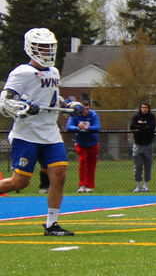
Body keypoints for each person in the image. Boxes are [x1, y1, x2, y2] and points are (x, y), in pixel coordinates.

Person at [0, 28, 84, 235]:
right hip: (27, 134)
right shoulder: (22, 72)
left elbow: (52, 98)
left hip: (50, 133)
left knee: (59, 175)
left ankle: (51, 224)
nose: (47, 51)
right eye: (43, 47)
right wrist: (24, 108)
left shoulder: (54, 72)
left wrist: (70, 106)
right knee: (20, 181)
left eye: (49, 47)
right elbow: (5, 102)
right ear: (31, 48)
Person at [66, 100, 101, 193]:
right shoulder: (75, 115)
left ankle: (89, 185)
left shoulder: (93, 115)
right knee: (82, 162)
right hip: (81, 143)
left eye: (88, 109)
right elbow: (69, 127)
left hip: (93, 143)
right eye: (84, 109)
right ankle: (82, 185)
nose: (86, 111)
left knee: (91, 165)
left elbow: (97, 126)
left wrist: (87, 128)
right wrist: (78, 127)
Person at [129, 102, 156, 192]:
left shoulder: (151, 117)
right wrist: (143, 128)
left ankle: (146, 185)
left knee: (148, 165)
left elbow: (151, 128)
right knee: (138, 166)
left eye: (146, 107)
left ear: (148, 109)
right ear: (140, 108)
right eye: (143, 107)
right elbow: (132, 126)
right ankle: (138, 185)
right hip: (137, 145)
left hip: (148, 145)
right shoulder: (136, 117)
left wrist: (140, 129)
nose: (144, 109)